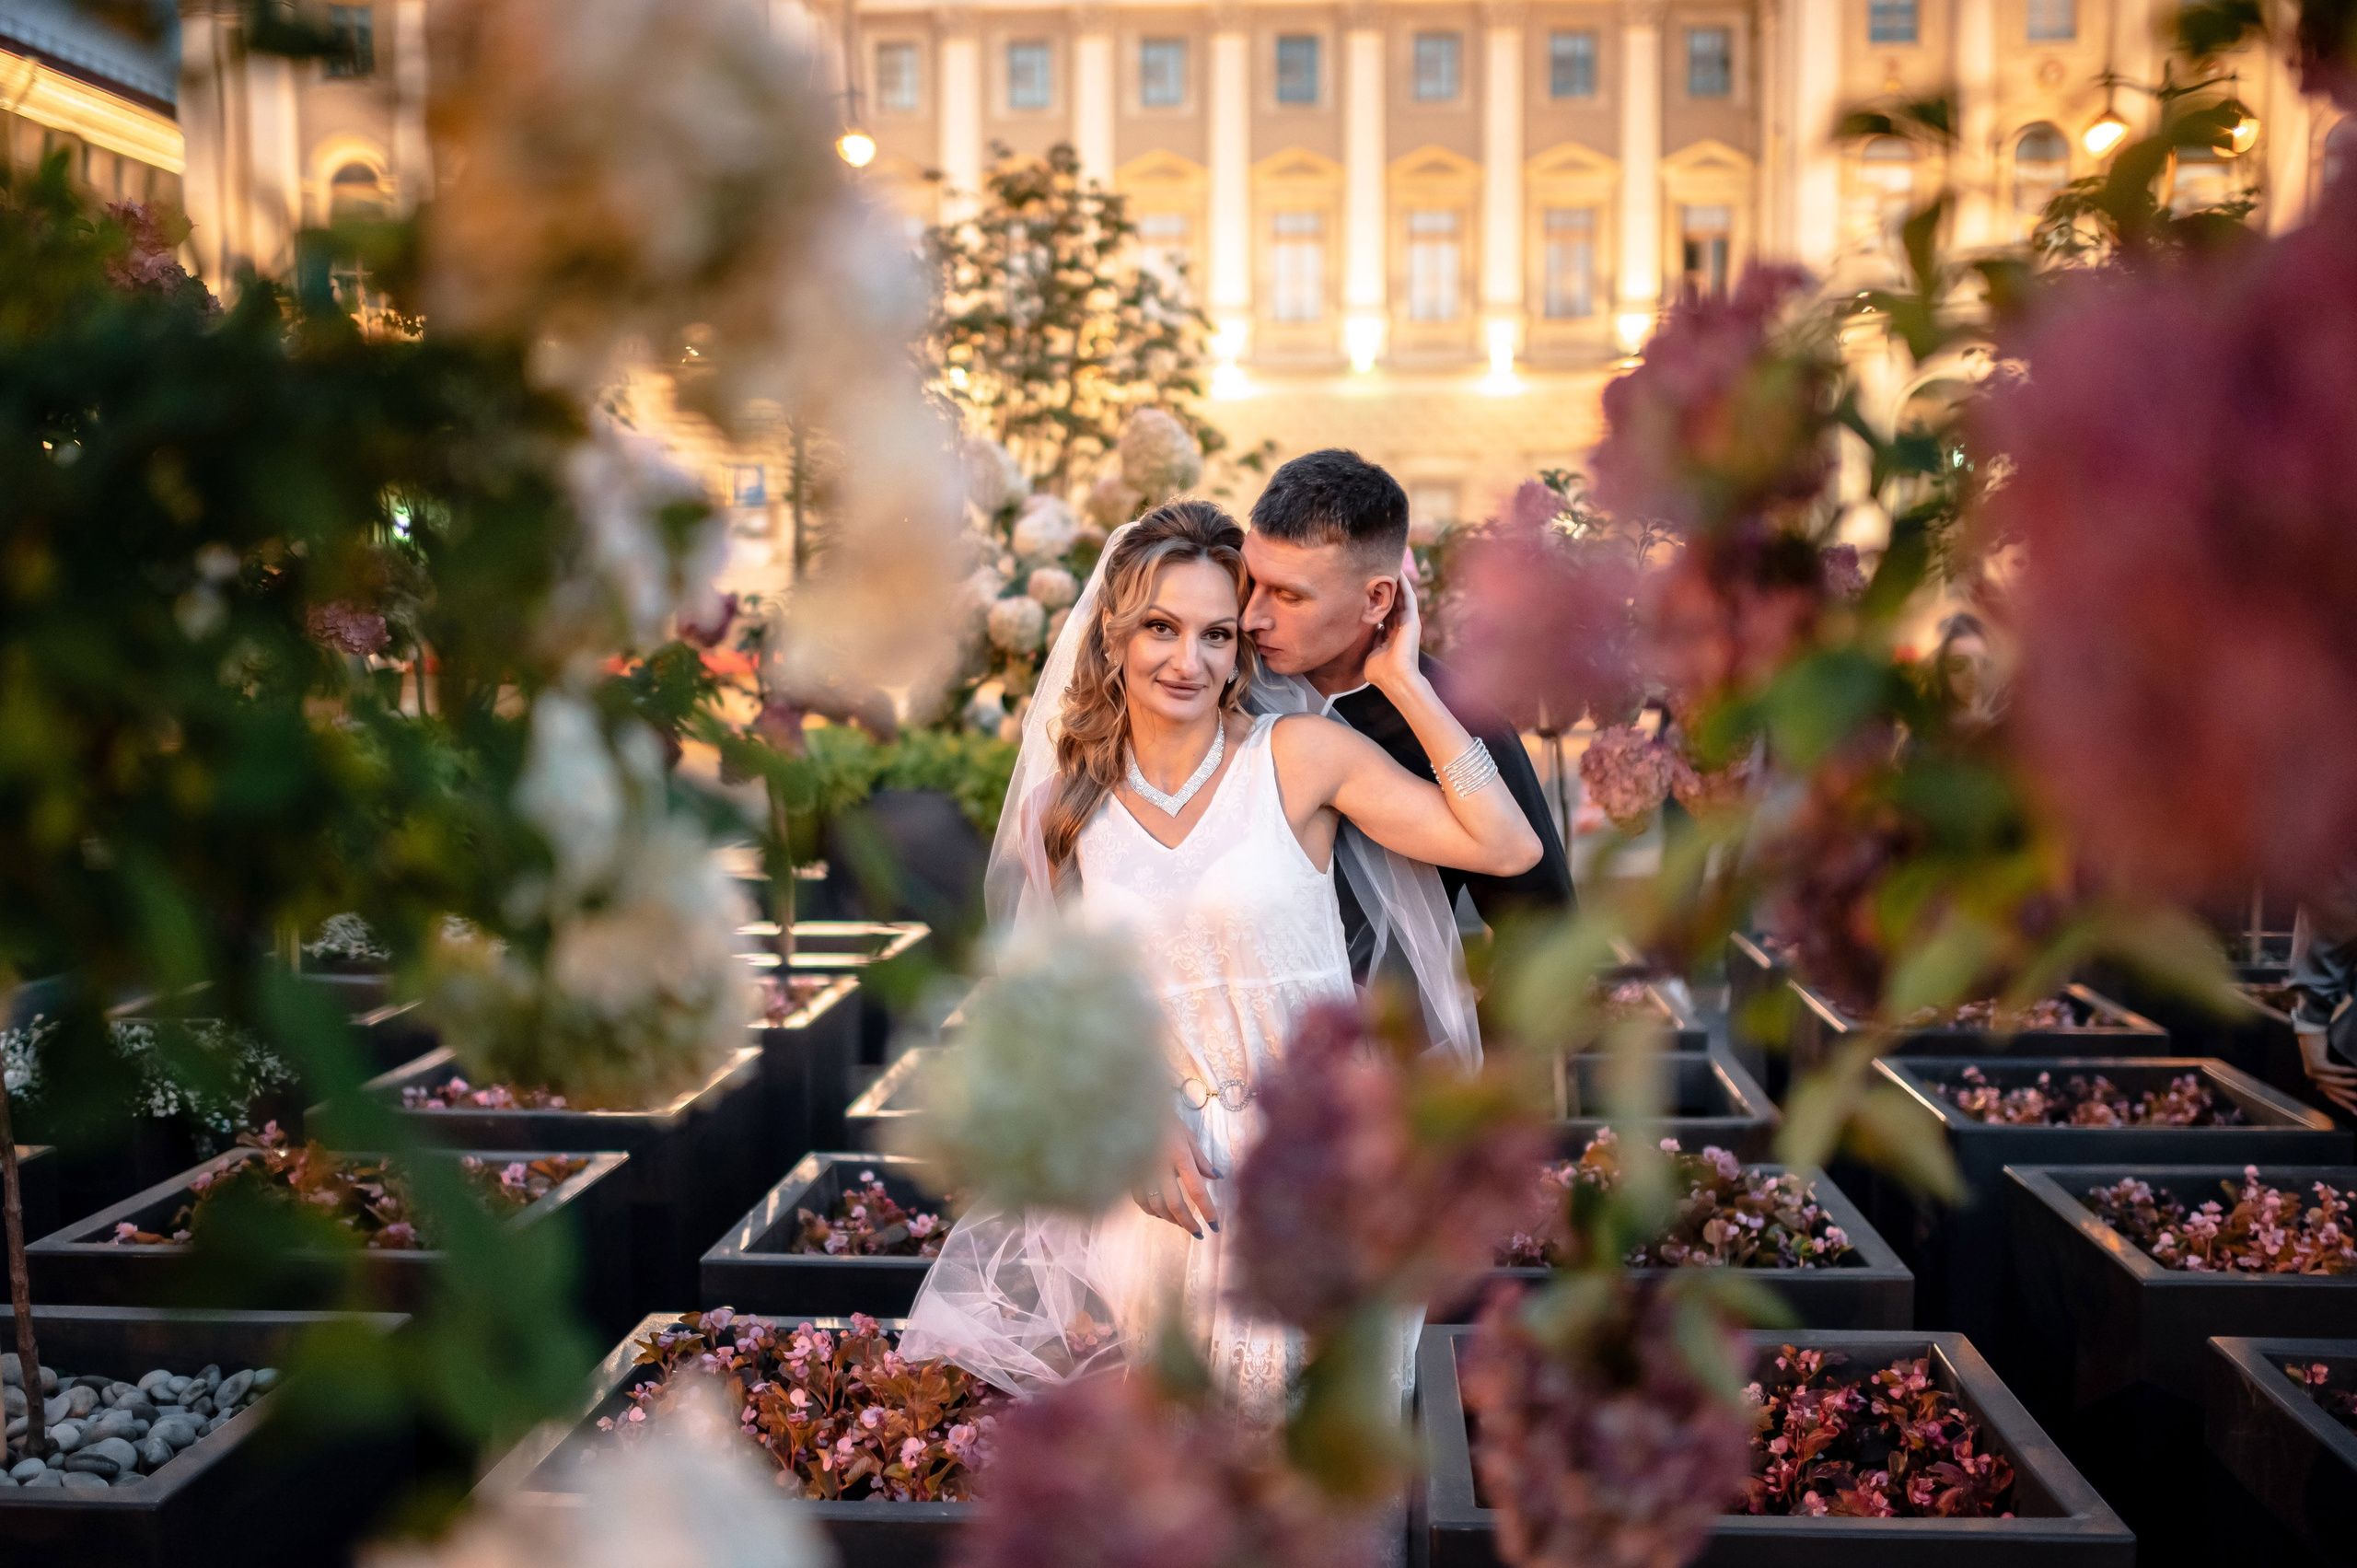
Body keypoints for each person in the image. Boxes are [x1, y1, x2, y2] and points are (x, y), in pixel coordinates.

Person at [899, 500, 1540, 1415]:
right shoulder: (1062, 810)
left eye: (1216, 633)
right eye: (1160, 627)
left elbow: (1505, 846)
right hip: (1162, 1196)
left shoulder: (1301, 756)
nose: (1186, 660)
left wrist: (1403, 681)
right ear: (1112, 634)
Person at [1241, 450, 1574, 1029]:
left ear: (1377, 598)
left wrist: (1463, 1061)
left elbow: (1548, 934)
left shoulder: (1457, 722)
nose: (1251, 618)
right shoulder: (1224, 689)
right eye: (1251, 582)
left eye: (1289, 596)